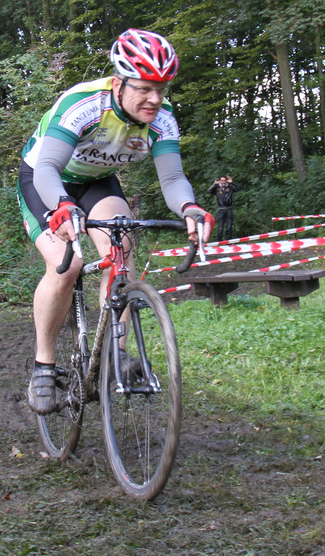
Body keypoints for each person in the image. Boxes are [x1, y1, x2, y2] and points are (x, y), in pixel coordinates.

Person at [17, 29, 214, 415]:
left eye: (162, 88)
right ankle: (43, 366)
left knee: (121, 245)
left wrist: (189, 208)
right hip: (46, 179)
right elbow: (48, 168)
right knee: (66, 266)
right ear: (119, 83)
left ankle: (116, 353)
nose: (155, 99)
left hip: (96, 182)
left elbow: (173, 179)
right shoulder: (83, 104)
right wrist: (61, 205)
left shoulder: (163, 119)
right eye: (145, 88)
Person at [207, 175, 241, 243]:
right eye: (222, 180)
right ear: (220, 181)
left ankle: (228, 241)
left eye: (224, 180)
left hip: (229, 209)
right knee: (220, 227)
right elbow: (209, 191)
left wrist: (232, 182)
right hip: (221, 209)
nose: (223, 182)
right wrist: (214, 184)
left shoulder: (230, 187)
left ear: (226, 181)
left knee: (229, 226)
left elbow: (239, 188)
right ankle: (219, 241)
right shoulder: (217, 188)